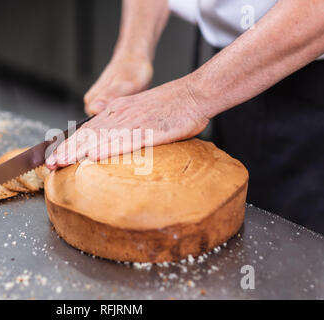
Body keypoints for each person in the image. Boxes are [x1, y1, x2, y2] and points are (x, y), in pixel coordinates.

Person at [46, 0, 324, 234]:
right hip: (230, 69)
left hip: (309, 85)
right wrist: (132, 53)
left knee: (292, 255)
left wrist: (190, 98)